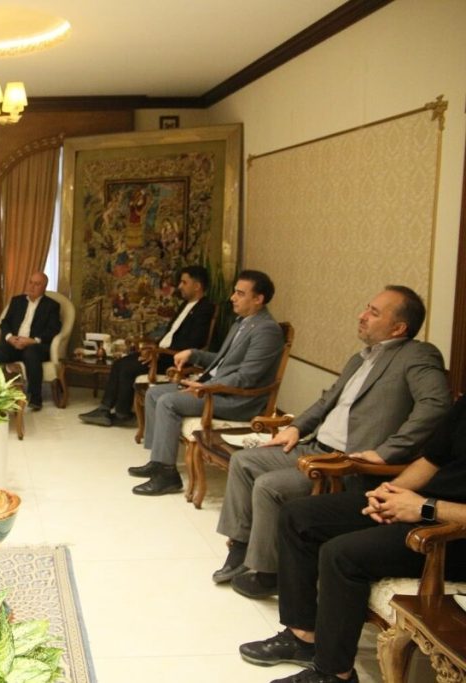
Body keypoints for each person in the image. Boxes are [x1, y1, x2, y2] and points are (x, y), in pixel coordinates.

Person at [214, 285, 450, 599]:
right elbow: (326, 402)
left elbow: (436, 405)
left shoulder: (417, 355)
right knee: (243, 461)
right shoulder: (359, 359)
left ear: (398, 328)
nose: (362, 316)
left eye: (373, 312)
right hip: (315, 446)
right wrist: (295, 428)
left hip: (346, 462)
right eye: (366, 308)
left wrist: (386, 452)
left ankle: (269, 572)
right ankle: (241, 547)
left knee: (269, 486)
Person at [238, 394, 466, 683]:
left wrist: (425, 508)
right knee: (298, 517)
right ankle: (303, 637)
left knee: (341, 555)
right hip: (422, 505)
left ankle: (334, 674)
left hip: (451, 535)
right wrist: (388, 493)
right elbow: (432, 459)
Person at [132, 270, 285, 496]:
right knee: (155, 393)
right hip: (217, 388)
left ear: (258, 299)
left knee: (168, 402)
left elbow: (247, 377)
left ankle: (167, 476)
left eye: (240, 293)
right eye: (234, 292)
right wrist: (193, 354)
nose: (232, 297)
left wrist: (207, 387)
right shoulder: (242, 323)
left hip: (238, 400)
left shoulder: (267, 330)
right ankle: (158, 462)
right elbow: (223, 361)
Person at [79, 265, 214, 427]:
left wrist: (159, 352)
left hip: (174, 358)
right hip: (160, 353)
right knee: (119, 363)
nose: (179, 286)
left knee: (128, 367)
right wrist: (153, 348)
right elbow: (171, 334)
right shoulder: (185, 305)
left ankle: (121, 413)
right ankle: (106, 409)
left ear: (197, 286)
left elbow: (195, 342)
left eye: (184, 282)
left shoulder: (205, 308)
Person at [0, 272, 62, 410]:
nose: (32, 286)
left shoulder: (52, 305)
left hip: (36, 346)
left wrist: (33, 340)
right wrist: (10, 338)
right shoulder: (17, 301)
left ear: (44, 287)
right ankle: (1, 392)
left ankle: (35, 398)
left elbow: (53, 329)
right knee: (0, 352)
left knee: (31, 353)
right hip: (15, 342)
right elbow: (5, 323)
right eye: (31, 282)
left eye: (37, 284)